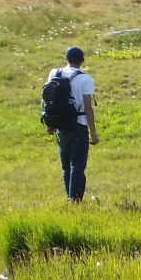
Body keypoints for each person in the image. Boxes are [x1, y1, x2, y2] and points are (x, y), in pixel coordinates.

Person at [45, 46, 98, 202]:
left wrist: (50, 124)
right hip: (78, 125)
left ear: (65, 59)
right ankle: (74, 200)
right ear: (82, 61)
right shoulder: (85, 79)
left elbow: (49, 101)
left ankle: (70, 197)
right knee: (77, 165)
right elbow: (88, 108)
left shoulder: (54, 73)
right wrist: (93, 133)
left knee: (66, 165)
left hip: (60, 124)